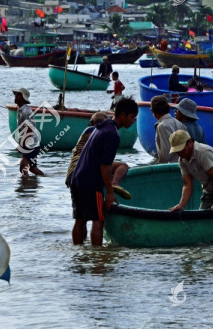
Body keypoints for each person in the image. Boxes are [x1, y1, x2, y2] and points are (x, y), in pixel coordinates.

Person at [68, 98, 139, 246]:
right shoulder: (112, 134)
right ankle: (98, 261)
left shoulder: (101, 126)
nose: (133, 121)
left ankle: (78, 257)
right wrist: (110, 192)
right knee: (98, 220)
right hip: (90, 183)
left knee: (79, 220)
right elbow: (105, 166)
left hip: (76, 179)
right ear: (123, 115)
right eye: (132, 117)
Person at [66, 112, 131, 197]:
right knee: (122, 166)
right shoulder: (95, 130)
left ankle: (111, 182)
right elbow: (103, 163)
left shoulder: (91, 131)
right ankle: (114, 184)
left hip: (73, 176)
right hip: (83, 172)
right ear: (96, 123)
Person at [13, 88, 45, 176]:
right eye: (15, 95)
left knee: (23, 169)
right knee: (32, 168)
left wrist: (21, 144)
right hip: (31, 143)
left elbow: (29, 129)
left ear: (23, 98)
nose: (15, 97)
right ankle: (43, 179)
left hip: (30, 143)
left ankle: (25, 186)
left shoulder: (26, 112)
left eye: (18, 95)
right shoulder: (20, 109)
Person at [151, 95, 184, 163]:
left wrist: (159, 164)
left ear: (153, 111)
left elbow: (166, 153)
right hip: (181, 164)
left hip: (170, 166)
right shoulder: (179, 123)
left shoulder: (162, 126)